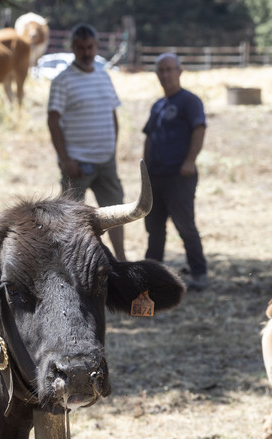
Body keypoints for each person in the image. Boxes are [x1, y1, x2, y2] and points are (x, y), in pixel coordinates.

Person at [47, 23, 126, 261]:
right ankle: (70, 264)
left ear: (96, 46)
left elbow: (112, 113)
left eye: (90, 47)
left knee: (117, 214)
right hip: (77, 163)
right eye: (81, 48)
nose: (86, 52)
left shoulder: (104, 75)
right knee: (71, 220)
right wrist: (65, 159)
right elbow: (53, 121)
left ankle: (121, 261)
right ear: (73, 48)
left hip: (106, 162)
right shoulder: (62, 80)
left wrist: (112, 149)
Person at [142, 52, 207, 290]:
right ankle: (152, 276)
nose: (166, 74)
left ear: (180, 72)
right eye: (162, 70)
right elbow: (149, 137)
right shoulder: (158, 105)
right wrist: (144, 170)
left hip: (180, 176)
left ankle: (199, 273)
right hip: (155, 176)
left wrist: (190, 161)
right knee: (154, 229)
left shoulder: (190, 101)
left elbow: (199, 130)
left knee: (185, 226)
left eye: (170, 69)